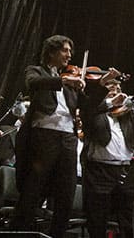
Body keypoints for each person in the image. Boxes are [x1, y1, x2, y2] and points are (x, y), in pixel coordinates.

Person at [12, 35, 85, 238]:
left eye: (70, 51)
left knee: (67, 191)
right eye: (64, 50)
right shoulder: (36, 70)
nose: (69, 55)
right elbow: (32, 83)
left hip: (68, 137)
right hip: (44, 136)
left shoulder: (70, 80)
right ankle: (20, 233)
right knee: (34, 188)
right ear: (51, 52)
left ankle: (57, 234)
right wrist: (62, 80)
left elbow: (79, 106)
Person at [81, 77, 134, 238]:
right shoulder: (93, 112)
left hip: (125, 171)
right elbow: (89, 109)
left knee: (128, 220)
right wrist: (108, 100)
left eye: (119, 89)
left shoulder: (127, 115)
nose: (116, 91)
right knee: (98, 220)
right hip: (99, 172)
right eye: (111, 88)